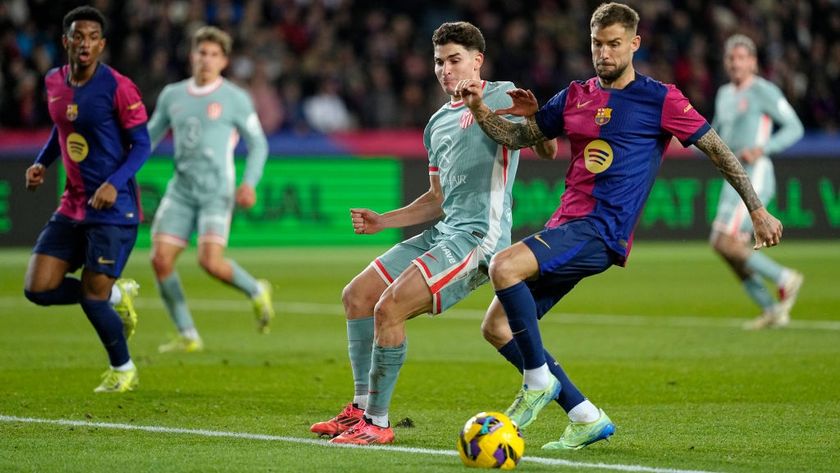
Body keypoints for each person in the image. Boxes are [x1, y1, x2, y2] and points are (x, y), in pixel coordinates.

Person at [457, 2, 783, 450]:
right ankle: (585, 416)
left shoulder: (660, 98)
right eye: (597, 44)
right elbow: (521, 137)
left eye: (614, 44)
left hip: (600, 230)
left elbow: (717, 149)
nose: (604, 53)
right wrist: (479, 109)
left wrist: (756, 209)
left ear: (634, 44)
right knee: (496, 328)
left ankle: (537, 383)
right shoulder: (575, 95)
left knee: (503, 266)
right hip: (567, 223)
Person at [309, 21, 557, 445]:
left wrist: (534, 120)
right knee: (357, 295)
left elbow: (547, 150)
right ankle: (359, 406)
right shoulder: (437, 122)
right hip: (446, 231)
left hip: (479, 239)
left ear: (477, 61)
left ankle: (378, 423)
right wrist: (383, 220)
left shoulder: (502, 95)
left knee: (389, 309)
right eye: (439, 62)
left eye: (455, 60)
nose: (445, 70)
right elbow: (437, 198)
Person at [23, 6, 150, 393]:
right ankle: (115, 292)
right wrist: (42, 162)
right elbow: (61, 129)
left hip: (114, 209)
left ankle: (124, 368)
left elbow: (142, 144)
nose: (85, 44)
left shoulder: (118, 86)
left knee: (92, 300)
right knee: (38, 289)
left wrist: (114, 182)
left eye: (93, 37)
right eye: (78, 36)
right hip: (72, 203)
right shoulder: (53, 81)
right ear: (66, 41)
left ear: (102, 44)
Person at [146, 26, 272, 353]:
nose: (207, 59)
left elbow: (258, 144)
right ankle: (187, 333)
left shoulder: (235, 98)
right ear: (192, 55)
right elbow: (147, 139)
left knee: (210, 262)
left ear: (224, 61)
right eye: (202, 52)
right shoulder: (172, 95)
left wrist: (249, 183)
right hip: (181, 190)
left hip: (217, 191)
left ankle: (256, 289)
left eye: (214, 54)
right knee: (160, 260)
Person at [709, 34, 804, 330]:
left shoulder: (764, 90)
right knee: (720, 243)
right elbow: (716, 133)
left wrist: (764, 148)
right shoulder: (724, 94)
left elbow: (794, 127)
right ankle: (771, 309)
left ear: (753, 62)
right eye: (731, 58)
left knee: (727, 241)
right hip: (732, 177)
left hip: (755, 172)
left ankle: (784, 278)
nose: (735, 63)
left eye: (741, 58)